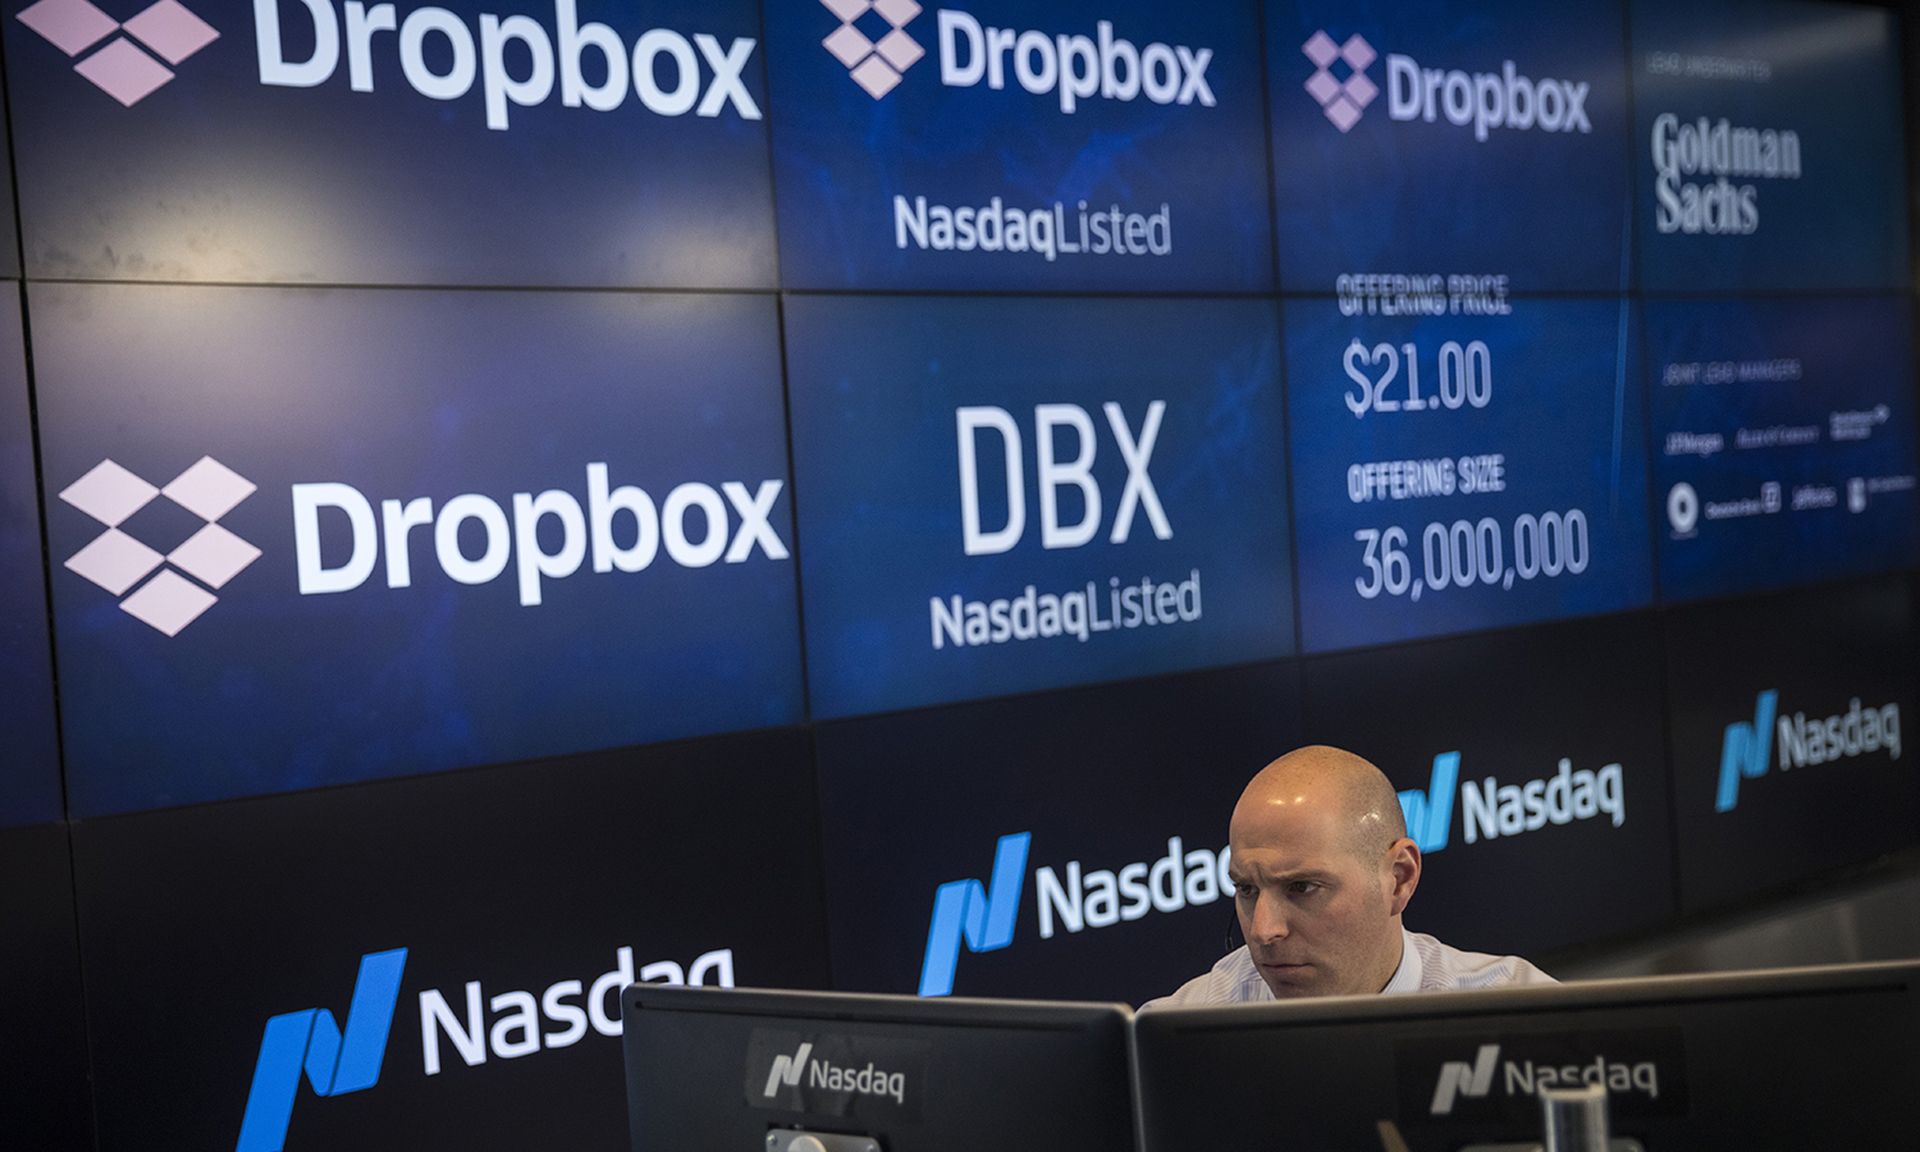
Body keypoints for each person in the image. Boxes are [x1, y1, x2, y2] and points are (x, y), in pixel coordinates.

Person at [1145, 745, 1553, 1006]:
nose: (1264, 931)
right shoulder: (1176, 1037)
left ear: (1399, 878)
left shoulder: (1526, 1019)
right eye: (1247, 889)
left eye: (1301, 887)